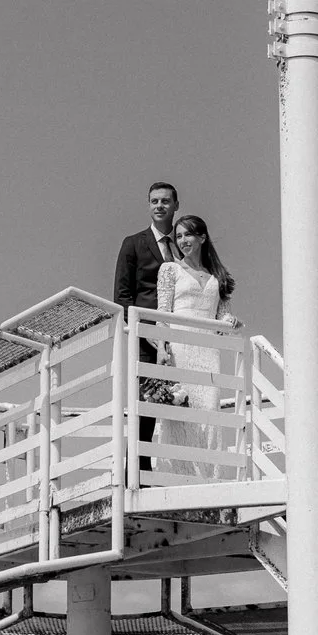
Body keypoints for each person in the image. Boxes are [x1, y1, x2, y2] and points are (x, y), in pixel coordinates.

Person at [113, 182, 232, 468]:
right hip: (146, 338)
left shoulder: (184, 251)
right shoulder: (133, 243)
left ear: (176, 205)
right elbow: (123, 295)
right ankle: (139, 473)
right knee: (149, 403)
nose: (159, 206)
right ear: (148, 204)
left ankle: (188, 466)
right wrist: (148, 332)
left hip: (186, 339)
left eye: (165, 201)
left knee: (189, 402)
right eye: (154, 201)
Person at [154, 215, 240, 477]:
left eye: (188, 235)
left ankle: (209, 477)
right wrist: (161, 347)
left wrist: (230, 321)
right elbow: (162, 312)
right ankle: (178, 476)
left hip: (208, 352)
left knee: (210, 408)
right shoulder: (169, 270)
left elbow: (219, 316)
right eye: (178, 236)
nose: (182, 241)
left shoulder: (217, 276)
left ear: (202, 238)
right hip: (180, 348)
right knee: (182, 412)